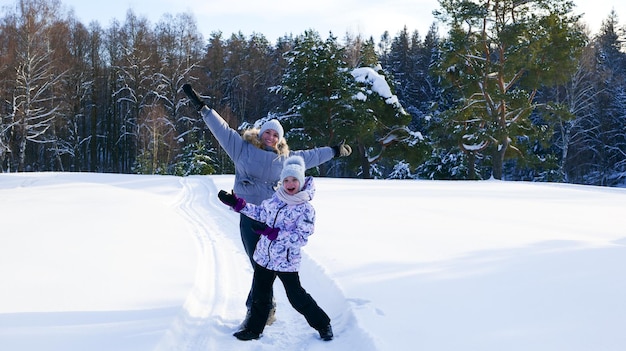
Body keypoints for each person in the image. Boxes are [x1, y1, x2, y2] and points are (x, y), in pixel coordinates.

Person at [182, 83, 351, 327]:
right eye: (267, 132)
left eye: (276, 135)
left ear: (279, 139)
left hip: (273, 217)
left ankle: (258, 310)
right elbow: (222, 129)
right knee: (257, 263)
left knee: (263, 265)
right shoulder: (241, 148)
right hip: (247, 213)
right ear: (260, 133)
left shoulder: (286, 159)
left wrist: (335, 150)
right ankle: (265, 307)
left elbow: (312, 156)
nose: (270, 137)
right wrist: (203, 108)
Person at [217, 155, 333, 341]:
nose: (289, 183)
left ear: (301, 182)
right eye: (286, 179)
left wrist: (274, 234)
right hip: (264, 256)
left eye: (294, 179)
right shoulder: (275, 200)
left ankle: (323, 324)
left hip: (286, 261)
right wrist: (238, 204)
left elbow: (301, 238)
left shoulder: (305, 208)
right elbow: (260, 213)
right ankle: (254, 329)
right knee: (260, 296)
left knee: (297, 298)